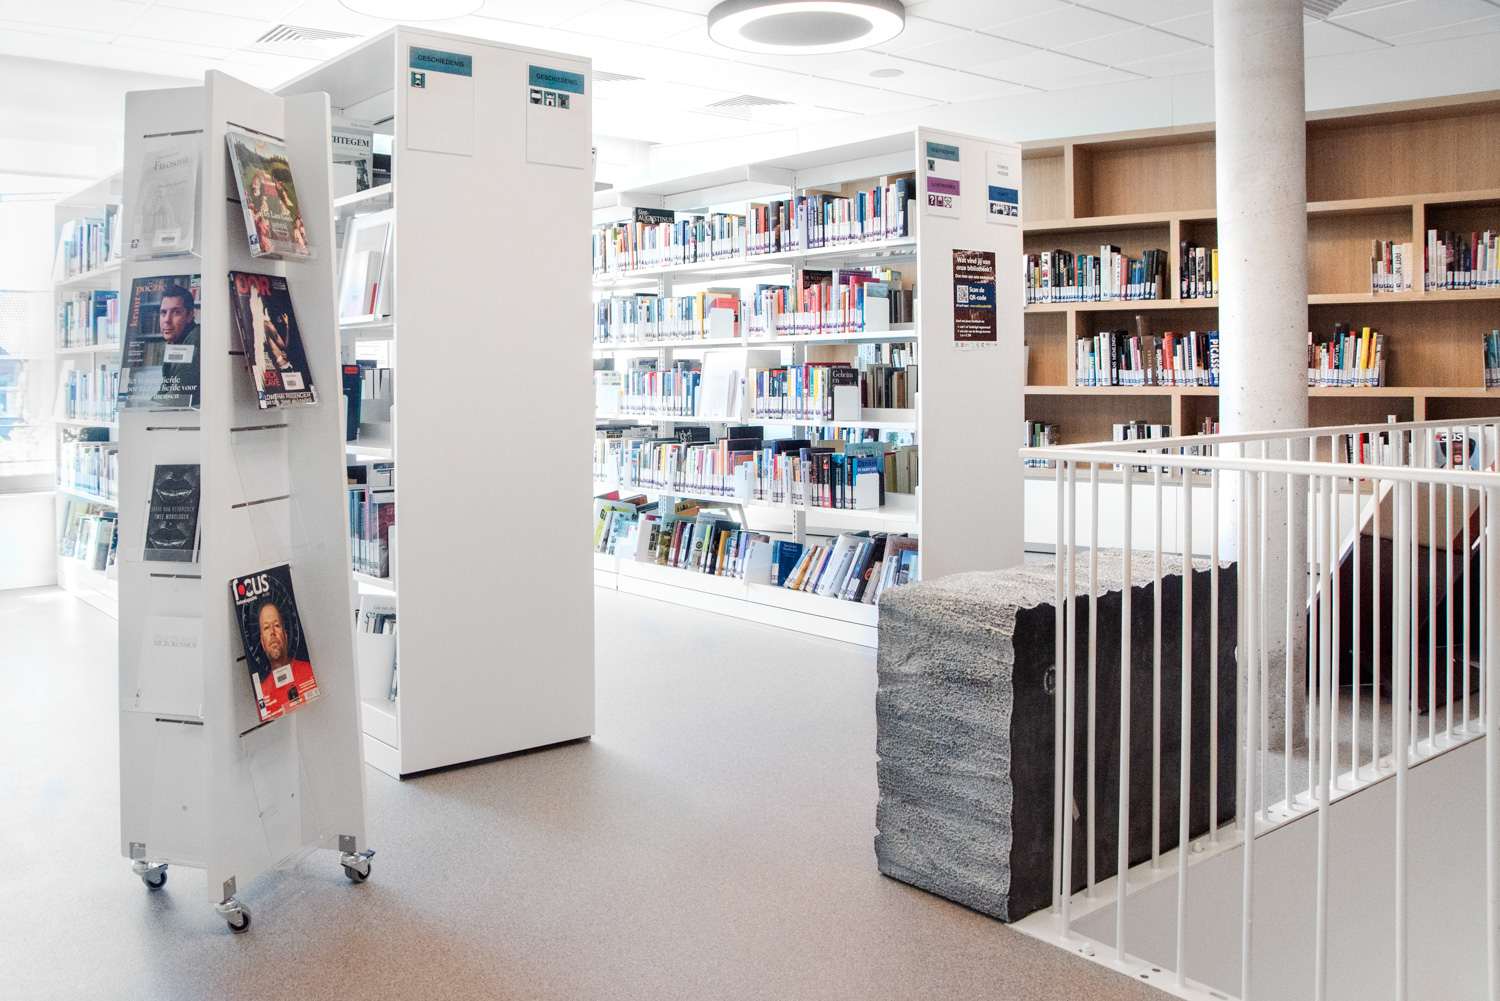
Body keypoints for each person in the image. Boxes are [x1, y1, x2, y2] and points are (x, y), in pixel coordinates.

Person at [255, 600, 318, 714]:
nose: (272, 632)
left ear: (285, 636)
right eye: (266, 628)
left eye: (276, 625)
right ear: (262, 643)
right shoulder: (263, 693)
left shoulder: (309, 672)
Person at [154, 284, 200, 406]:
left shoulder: (196, 338)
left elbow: (177, 396)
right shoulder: (173, 343)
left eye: (175, 312)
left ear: (190, 316)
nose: (167, 320)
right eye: (163, 312)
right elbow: (165, 389)